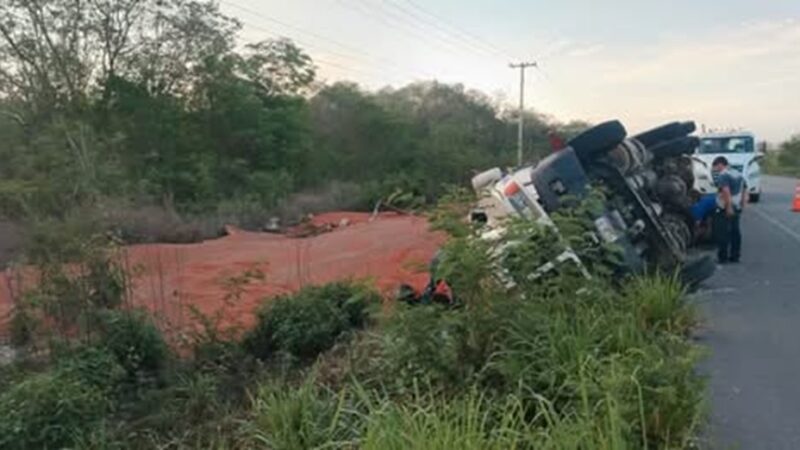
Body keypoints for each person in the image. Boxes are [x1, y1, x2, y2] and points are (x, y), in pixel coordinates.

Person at [711, 156, 747, 263]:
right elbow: (745, 189)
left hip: (725, 207)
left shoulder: (723, 175)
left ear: (720, 164)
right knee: (735, 232)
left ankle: (723, 257)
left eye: (716, 167)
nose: (716, 170)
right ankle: (735, 256)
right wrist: (743, 204)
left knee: (722, 232)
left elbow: (726, 191)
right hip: (737, 206)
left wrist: (728, 207)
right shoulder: (738, 174)